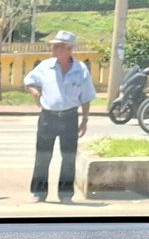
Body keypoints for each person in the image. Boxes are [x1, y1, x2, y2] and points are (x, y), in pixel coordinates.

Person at [23, 30, 96, 203]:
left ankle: (65, 194)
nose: (55, 49)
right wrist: (35, 93)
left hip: (70, 117)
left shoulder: (80, 69)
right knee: (43, 156)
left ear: (69, 49)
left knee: (68, 157)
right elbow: (28, 81)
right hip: (48, 117)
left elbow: (86, 97)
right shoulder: (45, 66)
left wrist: (85, 120)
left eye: (59, 46)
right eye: (54, 46)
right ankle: (39, 193)